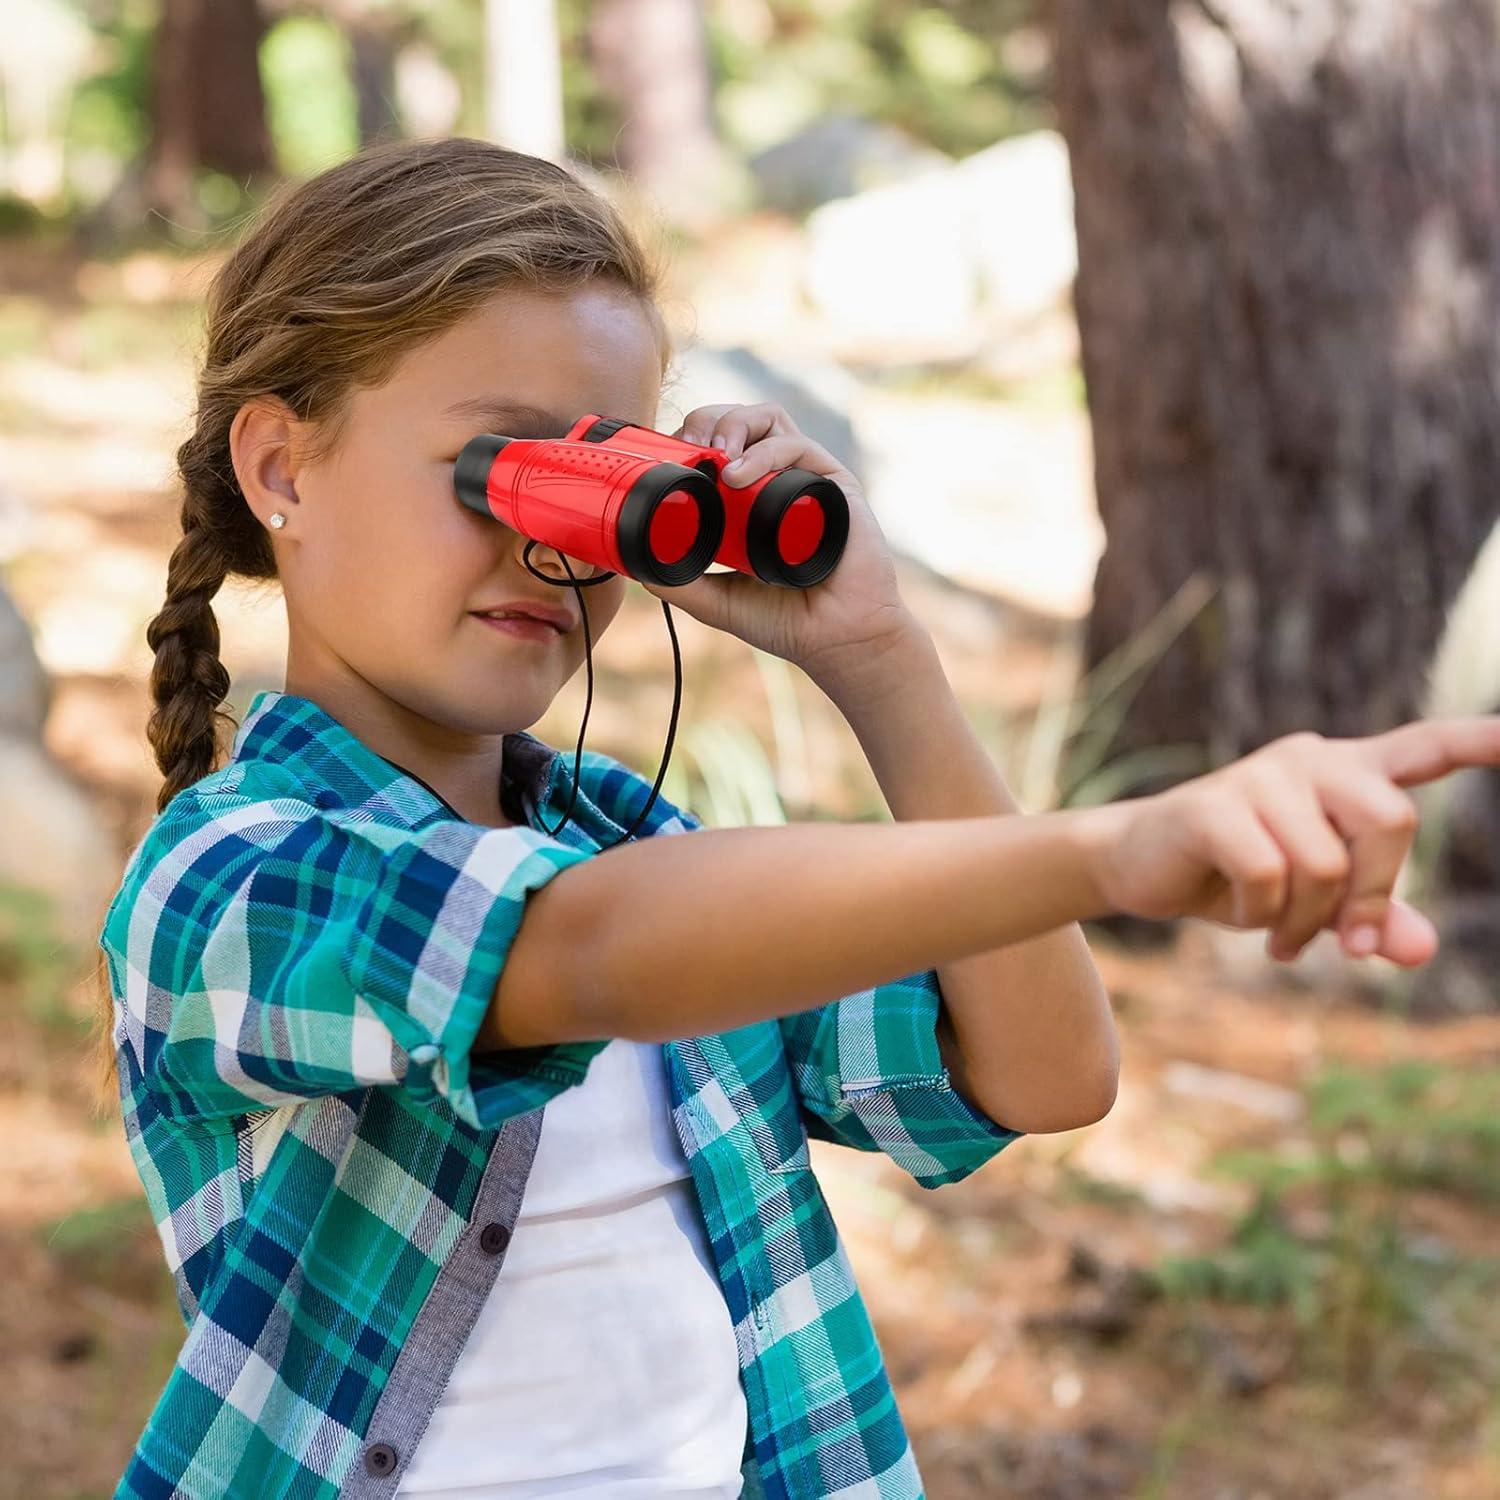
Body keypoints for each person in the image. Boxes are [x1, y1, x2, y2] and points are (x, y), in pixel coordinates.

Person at [94, 137, 1500, 1500]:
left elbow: (1044, 1071)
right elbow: (581, 957)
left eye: (599, 490)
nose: (548, 544)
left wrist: (877, 658)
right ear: (282, 470)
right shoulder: (224, 878)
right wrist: (1110, 849)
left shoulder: (641, 849)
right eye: (499, 470)